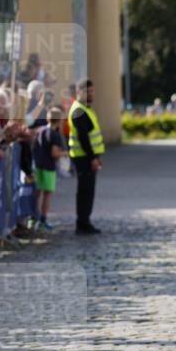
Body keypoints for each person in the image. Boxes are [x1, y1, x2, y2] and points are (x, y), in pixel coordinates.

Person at [68, 78, 105, 234]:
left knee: (88, 191)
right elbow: (83, 138)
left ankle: (85, 221)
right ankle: (82, 223)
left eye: (92, 91)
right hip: (82, 157)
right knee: (85, 191)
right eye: (87, 91)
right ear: (79, 93)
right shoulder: (78, 110)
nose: (91, 94)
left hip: (86, 156)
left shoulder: (85, 109)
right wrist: (93, 158)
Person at [32, 107, 65, 230]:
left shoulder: (41, 131)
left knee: (37, 193)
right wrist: (65, 154)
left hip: (38, 165)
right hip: (49, 167)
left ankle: (33, 217)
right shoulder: (55, 135)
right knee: (47, 194)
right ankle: (43, 220)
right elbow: (55, 153)